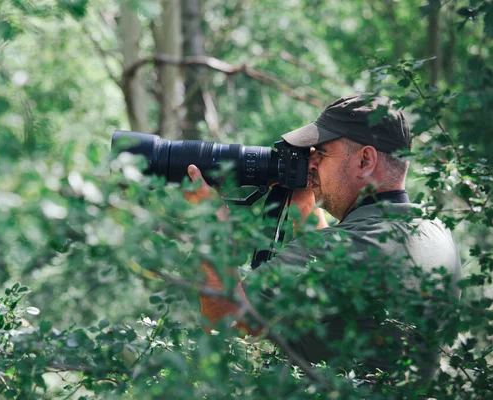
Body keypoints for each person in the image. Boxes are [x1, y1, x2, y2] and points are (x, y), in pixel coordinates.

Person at [184, 94, 462, 382]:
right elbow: (340, 282)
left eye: (321, 154)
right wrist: (304, 205)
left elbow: (224, 320)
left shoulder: (342, 247)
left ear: (365, 160)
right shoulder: (439, 233)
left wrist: (210, 225)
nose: (311, 163)